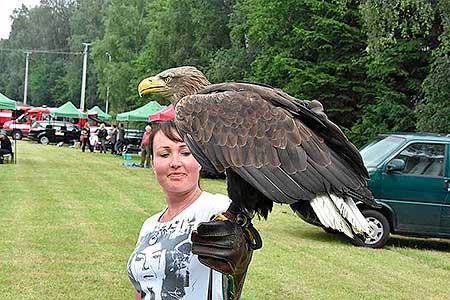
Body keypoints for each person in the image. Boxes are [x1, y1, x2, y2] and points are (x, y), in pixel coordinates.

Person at [127, 121, 254, 300]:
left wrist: (241, 252)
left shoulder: (218, 208)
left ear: (201, 161)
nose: (175, 163)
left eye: (186, 153)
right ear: (153, 163)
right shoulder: (149, 226)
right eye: (164, 154)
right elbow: (141, 291)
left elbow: (240, 260)